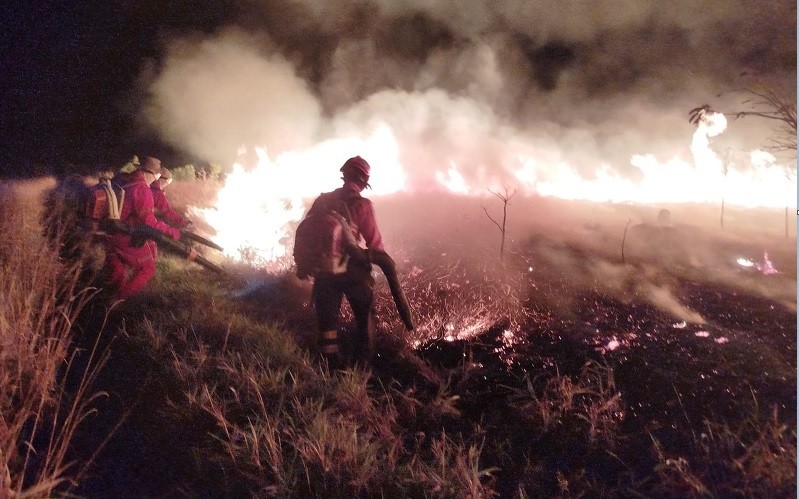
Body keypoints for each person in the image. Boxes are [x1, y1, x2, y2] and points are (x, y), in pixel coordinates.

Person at [307, 156, 386, 365]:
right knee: (364, 319)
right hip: (353, 271)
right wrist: (379, 264)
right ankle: (364, 366)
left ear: (344, 175)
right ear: (362, 180)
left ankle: (327, 367)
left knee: (327, 324)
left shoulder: (322, 200)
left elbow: (307, 231)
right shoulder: (362, 205)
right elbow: (375, 243)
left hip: (324, 270)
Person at [102, 156, 181, 300]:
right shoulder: (142, 189)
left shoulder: (125, 180)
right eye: (157, 175)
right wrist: (173, 232)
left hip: (108, 231)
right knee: (147, 267)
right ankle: (118, 301)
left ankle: (106, 296)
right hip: (123, 235)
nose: (157, 179)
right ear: (150, 173)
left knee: (117, 268)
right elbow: (148, 222)